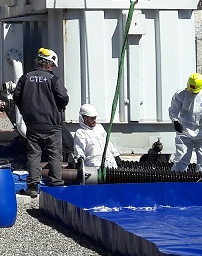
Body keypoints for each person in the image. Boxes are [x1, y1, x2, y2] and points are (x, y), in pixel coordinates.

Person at [12, 47, 69, 197]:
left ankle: (32, 187)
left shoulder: (25, 78)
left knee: (33, 155)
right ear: (50, 64)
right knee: (55, 155)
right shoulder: (53, 80)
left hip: (33, 124)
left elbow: (16, 97)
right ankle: (56, 184)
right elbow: (64, 98)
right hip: (52, 124)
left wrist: (25, 111)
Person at [169, 72, 202, 173]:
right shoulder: (180, 95)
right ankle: (178, 181)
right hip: (185, 132)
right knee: (180, 160)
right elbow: (173, 110)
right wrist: (175, 121)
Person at [73, 104, 121, 170]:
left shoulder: (100, 128)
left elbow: (108, 143)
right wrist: (80, 159)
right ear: (84, 118)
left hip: (110, 162)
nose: (94, 120)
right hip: (94, 164)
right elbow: (79, 148)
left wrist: (116, 155)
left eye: (95, 118)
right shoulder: (81, 133)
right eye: (92, 119)